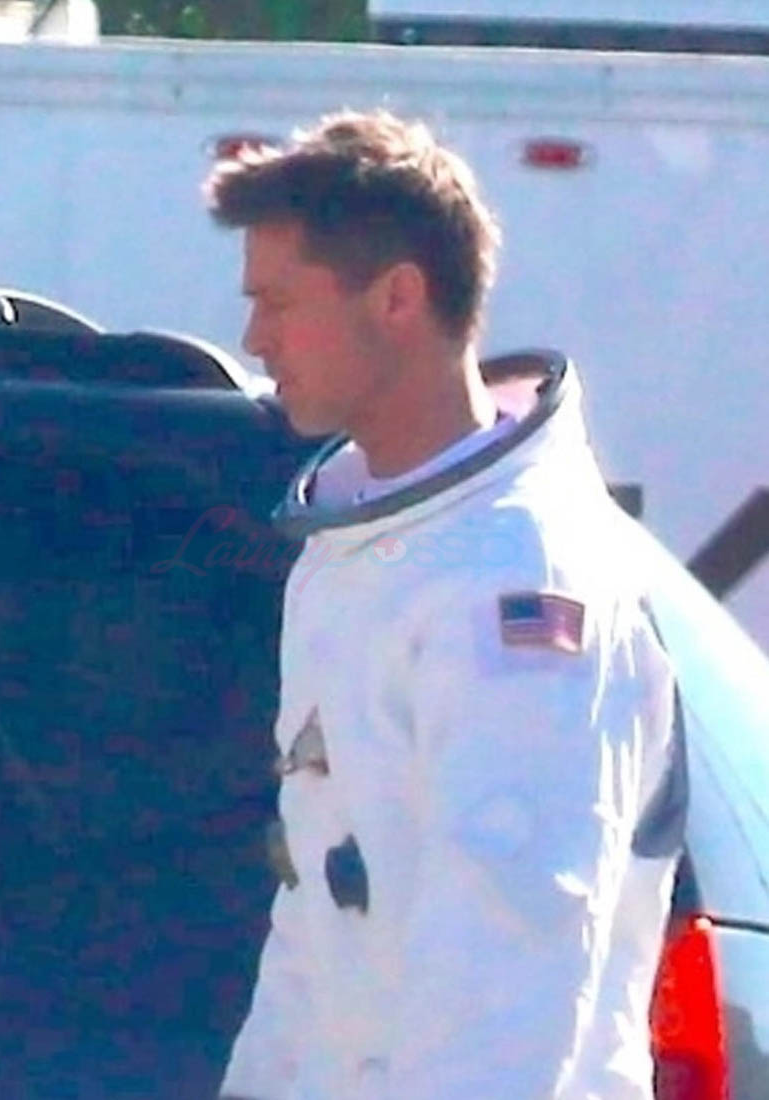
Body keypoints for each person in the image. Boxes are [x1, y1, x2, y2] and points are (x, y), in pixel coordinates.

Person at [203, 109, 686, 1100]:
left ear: (397, 296)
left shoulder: (516, 582)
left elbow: (508, 987)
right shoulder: (360, 552)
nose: (254, 339)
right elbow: (318, 930)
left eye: (279, 302)